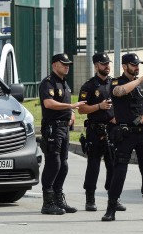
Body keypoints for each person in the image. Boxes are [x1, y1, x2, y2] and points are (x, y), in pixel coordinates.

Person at [101, 53, 143, 222]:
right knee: (119, 171)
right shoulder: (116, 82)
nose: (137, 67)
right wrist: (139, 80)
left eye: (138, 65)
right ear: (124, 66)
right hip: (125, 134)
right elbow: (119, 92)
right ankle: (111, 209)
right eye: (133, 65)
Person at [77, 52, 126, 212]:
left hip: (112, 130)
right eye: (103, 64)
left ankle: (114, 198)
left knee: (113, 165)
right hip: (95, 130)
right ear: (96, 66)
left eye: (108, 63)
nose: (107, 66)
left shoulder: (114, 83)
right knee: (94, 165)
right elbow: (81, 109)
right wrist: (99, 106)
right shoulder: (89, 86)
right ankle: (90, 199)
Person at [39, 53, 86, 215]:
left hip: (64, 128)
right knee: (54, 163)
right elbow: (48, 103)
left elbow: (66, 107)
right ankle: (48, 202)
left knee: (63, 164)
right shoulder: (48, 83)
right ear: (54, 65)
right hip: (53, 127)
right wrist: (71, 106)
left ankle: (59, 198)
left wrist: (71, 113)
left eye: (68, 64)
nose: (67, 66)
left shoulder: (64, 83)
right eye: (63, 63)